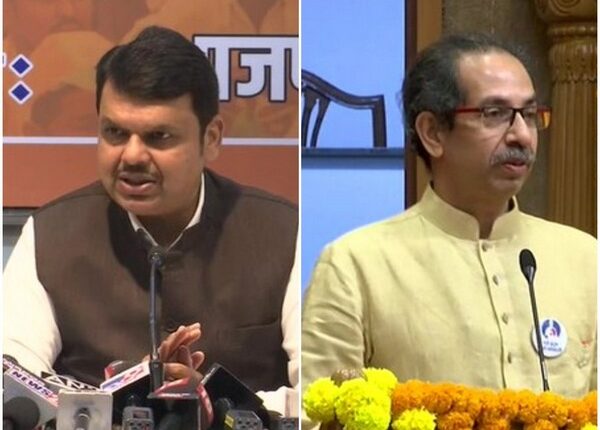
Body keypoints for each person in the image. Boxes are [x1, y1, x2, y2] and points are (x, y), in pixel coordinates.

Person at [3, 26, 299, 415]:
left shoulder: (282, 232)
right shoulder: (52, 234)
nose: (132, 156)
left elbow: (318, 392)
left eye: (158, 136)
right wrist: (123, 397)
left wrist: (213, 402)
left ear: (211, 138)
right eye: (115, 133)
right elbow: (12, 380)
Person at [302, 33, 596, 400]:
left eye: (530, 114)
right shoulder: (355, 265)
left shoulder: (585, 257)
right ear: (433, 132)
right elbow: (319, 416)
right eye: (495, 114)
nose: (522, 135)